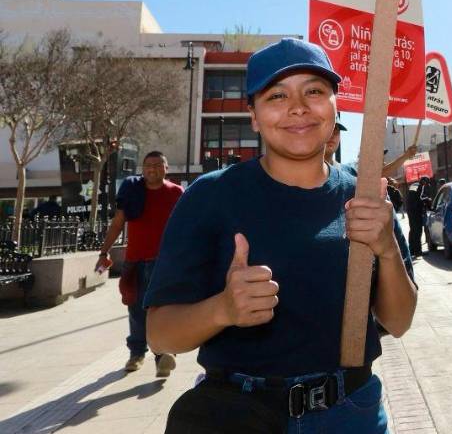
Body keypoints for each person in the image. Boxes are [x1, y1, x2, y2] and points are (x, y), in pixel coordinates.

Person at [144, 38, 417, 432]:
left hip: (351, 413)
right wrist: (223, 309)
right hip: (240, 415)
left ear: (335, 105)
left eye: (314, 91)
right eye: (277, 95)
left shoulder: (366, 195)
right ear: (253, 115)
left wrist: (387, 249)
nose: (298, 107)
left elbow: (400, 321)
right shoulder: (210, 196)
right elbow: (160, 333)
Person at [95, 151, 183, 377]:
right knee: (135, 309)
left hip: (164, 262)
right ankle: (137, 353)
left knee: (162, 308)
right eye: (147, 165)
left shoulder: (177, 193)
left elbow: (188, 226)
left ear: (166, 168)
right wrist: (104, 251)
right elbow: (117, 224)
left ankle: (164, 354)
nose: (152, 169)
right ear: (142, 169)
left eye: (157, 165)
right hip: (134, 260)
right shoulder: (133, 191)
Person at [325, 122, 414, 282]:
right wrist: (405, 156)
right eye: (329, 129)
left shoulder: (351, 174)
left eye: (337, 131)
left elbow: (394, 243)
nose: (332, 136)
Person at [405, 177, 432, 258]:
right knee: (417, 231)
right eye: (426, 183)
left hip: (411, 211)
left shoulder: (414, 185)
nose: (426, 185)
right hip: (415, 212)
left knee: (413, 230)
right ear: (423, 181)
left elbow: (414, 198)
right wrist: (427, 200)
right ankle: (417, 251)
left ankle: (412, 250)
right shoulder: (419, 186)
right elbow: (417, 199)